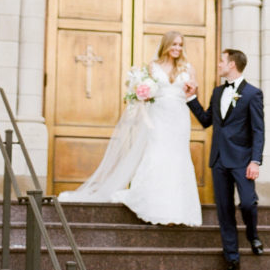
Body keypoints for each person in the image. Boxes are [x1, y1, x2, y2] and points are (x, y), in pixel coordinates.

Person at [59, 31, 202, 227]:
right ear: (166, 45)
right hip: (158, 117)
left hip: (179, 117)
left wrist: (193, 90)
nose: (177, 48)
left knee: (178, 157)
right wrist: (143, 93)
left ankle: (177, 208)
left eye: (180, 45)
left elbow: (193, 92)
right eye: (174, 44)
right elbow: (146, 91)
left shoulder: (188, 67)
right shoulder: (153, 67)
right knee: (157, 155)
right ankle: (154, 205)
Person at [186, 48, 265, 270]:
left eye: (222, 61)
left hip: (242, 161)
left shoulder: (253, 94)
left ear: (232, 64)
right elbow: (206, 120)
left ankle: (252, 235)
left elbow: (258, 131)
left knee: (248, 203)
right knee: (224, 210)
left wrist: (255, 161)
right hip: (219, 160)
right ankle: (232, 257)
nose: (218, 64)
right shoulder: (218, 92)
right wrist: (191, 97)